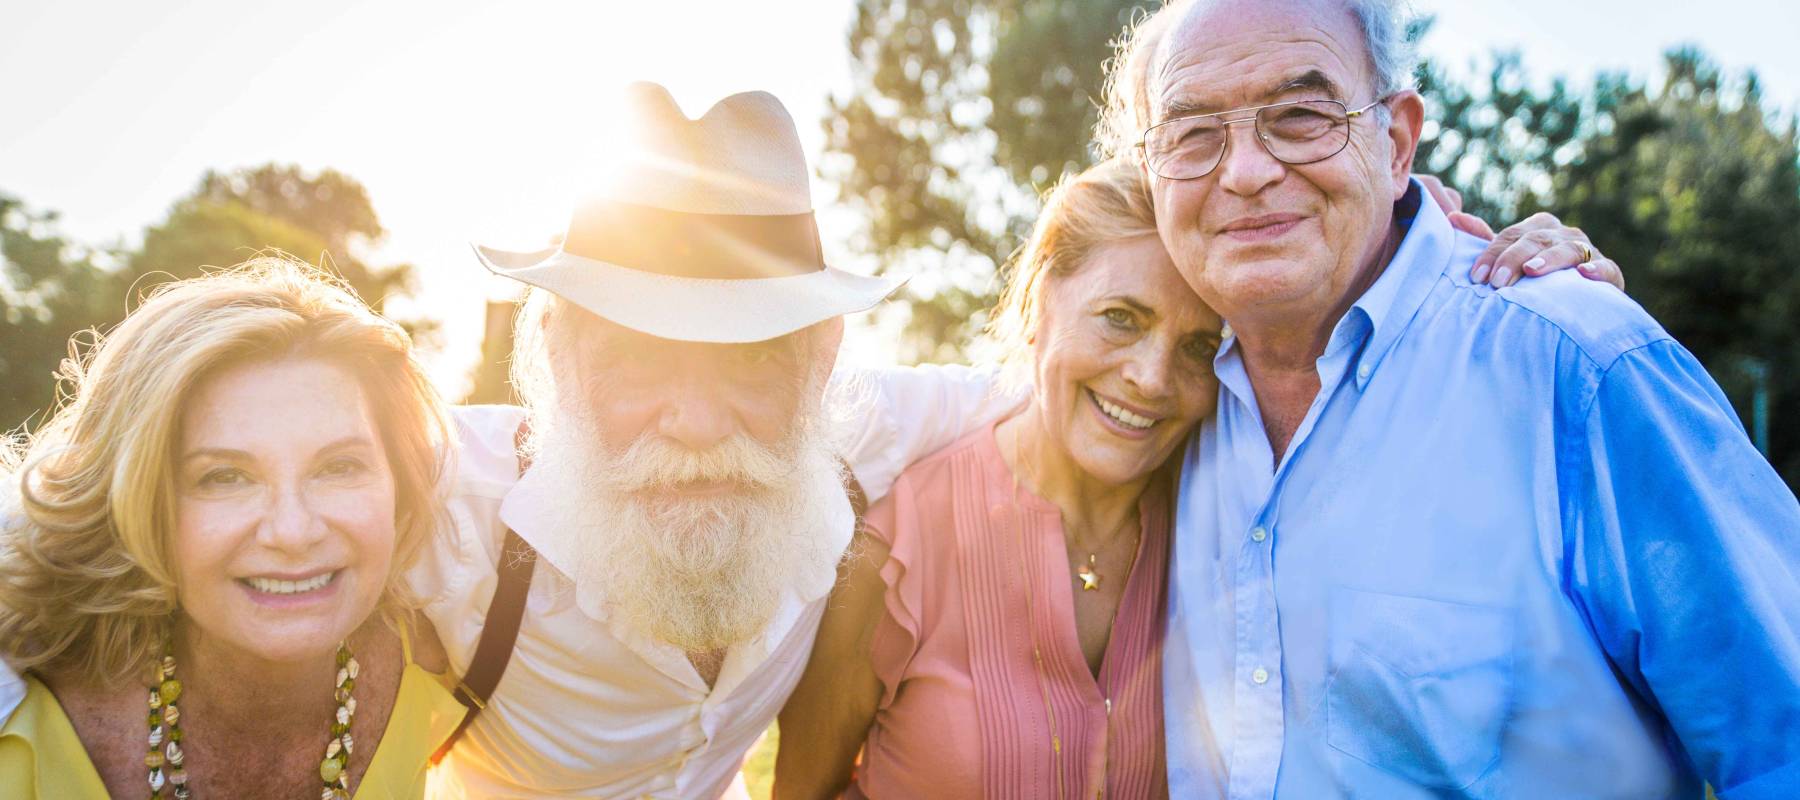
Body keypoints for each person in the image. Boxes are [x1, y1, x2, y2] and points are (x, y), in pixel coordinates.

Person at [1094, 1, 1800, 797]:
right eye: (1193, 134)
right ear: (1151, 179)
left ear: (1395, 142)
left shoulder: (1580, 367)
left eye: (1300, 116)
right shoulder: (1145, 407)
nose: (1246, 171)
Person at [0, 258, 467, 798]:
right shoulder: (25, 685)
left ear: (399, 486)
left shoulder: (454, 644)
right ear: (138, 498)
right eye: (224, 476)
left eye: (339, 467)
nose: (293, 532)